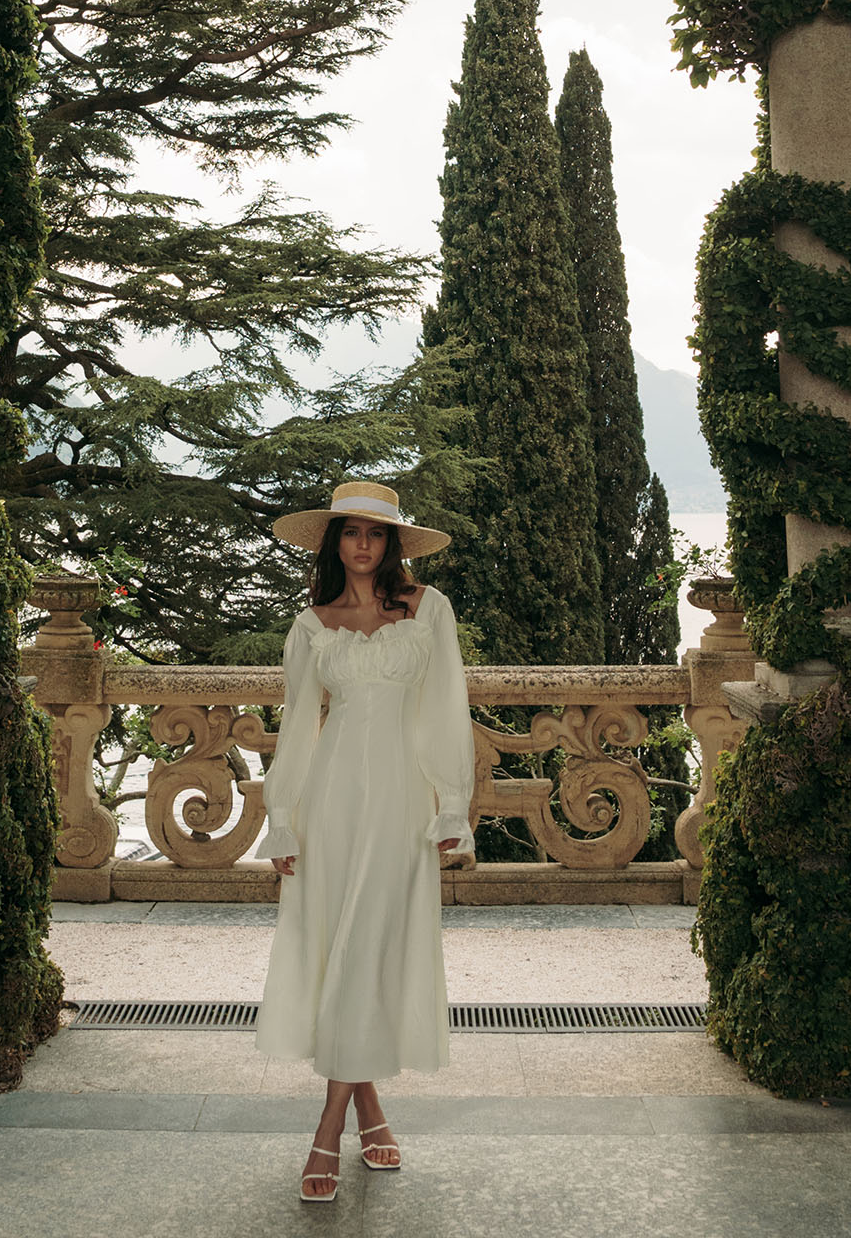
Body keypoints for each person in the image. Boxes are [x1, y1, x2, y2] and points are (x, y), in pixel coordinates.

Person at [252, 479, 477, 1203]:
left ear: (392, 543)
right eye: (350, 532)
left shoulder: (428, 609)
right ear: (334, 542)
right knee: (343, 949)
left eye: (375, 533)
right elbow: (298, 724)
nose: (362, 545)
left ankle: (328, 1127)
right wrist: (281, 815)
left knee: (370, 947)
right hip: (333, 801)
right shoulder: (312, 624)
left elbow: (445, 707)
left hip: (404, 802)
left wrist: (452, 805)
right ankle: (369, 1110)